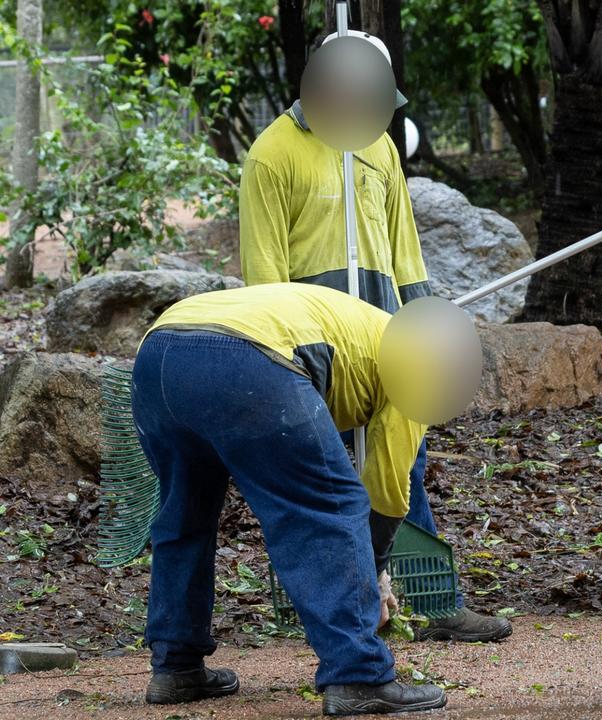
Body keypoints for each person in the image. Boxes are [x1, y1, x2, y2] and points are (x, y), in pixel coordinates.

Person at [238, 30, 508, 642]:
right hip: (318, 350)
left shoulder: (380, 147)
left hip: (389, 339)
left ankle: (436, 604)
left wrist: (424, 316)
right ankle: (345, 614)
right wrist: (283, 358)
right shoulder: (272, 155)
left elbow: (403, 247)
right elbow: (263, 275)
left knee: (404, 463)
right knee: (330, 474)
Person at [136, 282, 470, 715]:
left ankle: (176, 666)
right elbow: (386, 491)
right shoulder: (418, 368)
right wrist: (374, 575)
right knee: (329, 506)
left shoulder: (368, 325)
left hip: (160, 351)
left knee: (184, 513)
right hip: (250, 357)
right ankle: (359, 675)